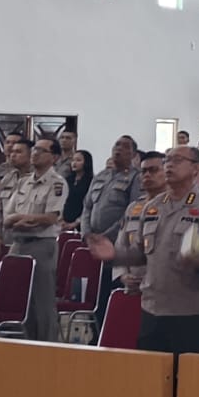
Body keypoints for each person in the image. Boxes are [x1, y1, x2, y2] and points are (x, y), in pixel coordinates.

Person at [86, 146, 199, 354]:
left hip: (190, 310)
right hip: (152, 307)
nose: (169, 165)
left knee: (187, 372)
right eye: (167, 160)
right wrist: (115, 255)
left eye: (177, 160)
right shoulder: (152, 207)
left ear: (195, 168)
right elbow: (139, 253)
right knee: (151, 370)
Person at [4, 137, 68, 341]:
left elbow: (50, 218)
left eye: (42, 150)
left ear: (54, 157)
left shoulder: (57, 183)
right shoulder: (24, 182)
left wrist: (20, 219)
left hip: (40, 245)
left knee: (42, 301)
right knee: (18, 299)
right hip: (18, 244)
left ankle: (46, 345)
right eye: (34, 149)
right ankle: (23, 342)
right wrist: (23, 220)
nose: (35, 153)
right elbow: (7, 217)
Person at [82, 135, 142, 329]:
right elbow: (87, 207)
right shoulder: (101, 176)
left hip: (115, 245)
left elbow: (132, 212)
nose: (119, 149)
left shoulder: (135, 178)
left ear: (133, 154)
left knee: (110, 295)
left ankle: (109, 332)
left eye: (125, 147)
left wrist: (106, 236)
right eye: (116, 145)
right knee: (93, 295)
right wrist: (87, 234)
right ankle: (96, 333)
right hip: (93, 244)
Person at [117, 153, 168, 294]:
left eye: (153, 170)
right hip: (134, 287)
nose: (147, 175)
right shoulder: (134, 208)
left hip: (163, 289)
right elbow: (121, 245)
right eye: (143, 171)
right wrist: (123, 275)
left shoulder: (175, 207)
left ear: (167, 172)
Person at [0, 138, 33, 259]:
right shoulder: (8, 178)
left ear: (31, 155)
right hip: (6, 237)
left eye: (18, 152)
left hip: (28, 239)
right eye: (12, 152)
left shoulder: (38, 179)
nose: (13, 155)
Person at [60, 149, 94, 230]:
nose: (74, 163)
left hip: (81, 223)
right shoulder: (67, 180)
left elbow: (90, 205)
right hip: (63, 221)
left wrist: (76, 223)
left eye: (78, 160)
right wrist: (61, 219)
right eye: (73, 160)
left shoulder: (91, 181)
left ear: (86, 162)